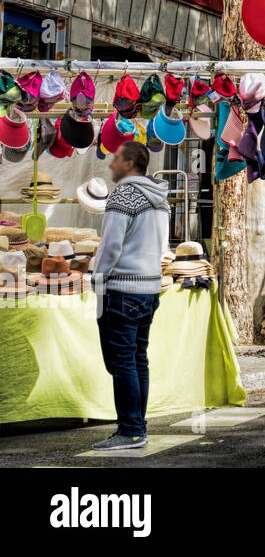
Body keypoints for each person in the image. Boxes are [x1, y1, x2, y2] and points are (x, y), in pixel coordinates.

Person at [89, 141, 169, 451]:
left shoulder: (123, 195)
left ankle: (131, 430)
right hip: (149, 286)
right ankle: (137, 426)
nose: (110, 164)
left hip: (123, 288)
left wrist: (98, 277)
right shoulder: (159, 197)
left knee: (123, 362)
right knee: (137, 359)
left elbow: (110, 245)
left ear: (130, 163)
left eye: (115, 158)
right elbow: (160, 246)